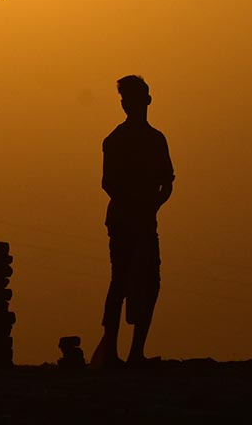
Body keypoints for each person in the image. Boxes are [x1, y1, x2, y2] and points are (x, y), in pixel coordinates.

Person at [91, 75, 175, 368]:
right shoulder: (115, 140)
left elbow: (168, 181)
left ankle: (135, 352)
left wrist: (153, 206)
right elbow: (108, 183)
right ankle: (113, 352)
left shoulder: (156, 139)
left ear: (146, 101)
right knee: (122, 281)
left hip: (145, 220)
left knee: (149, 282)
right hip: (125, 220)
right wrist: (138, 205)